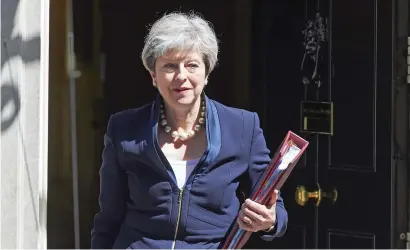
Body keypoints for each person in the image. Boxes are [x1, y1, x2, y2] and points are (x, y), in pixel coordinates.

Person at [91, 11, 288, 249]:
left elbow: (274, 206)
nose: (181, 76)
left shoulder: (243, 126)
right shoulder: (124, 128)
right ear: (153, 74)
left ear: (207, 73)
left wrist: (270, 221)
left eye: (192, 65)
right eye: (170, 66)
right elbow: (108, 218)